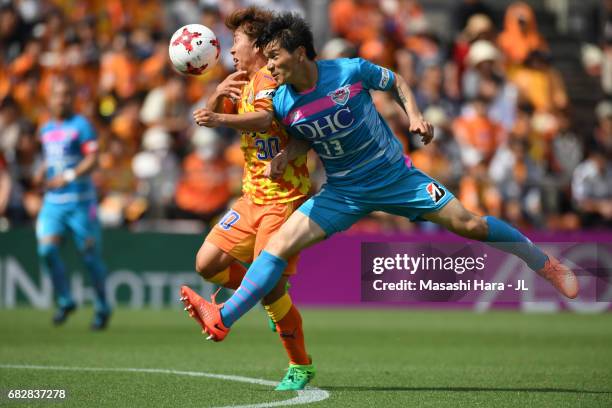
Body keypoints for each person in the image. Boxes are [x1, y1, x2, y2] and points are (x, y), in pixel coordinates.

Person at [184, 11, 578, 350]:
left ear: (300, 53)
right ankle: (224, 318)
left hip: (394, 177)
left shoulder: (350, 71)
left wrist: (415, 116)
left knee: (470, 224)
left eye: (275, 57)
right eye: (266, 59)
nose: (269, 67)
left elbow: (396, 82)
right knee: (279, 247)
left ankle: (542, 262)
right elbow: (304, 134)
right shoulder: (284, 101)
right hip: (343, 191)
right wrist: (288, 154)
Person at [180, 7, 314, 391]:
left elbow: (261, 119)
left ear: (257, 44)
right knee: (207, 262)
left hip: (284, 200)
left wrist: (220, 118)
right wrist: (217, 95)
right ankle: (263, 293)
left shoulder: (272, 79)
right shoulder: (240, 80)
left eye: (236, 40)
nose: (230, 48)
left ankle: (300, 365)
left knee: (270, 290)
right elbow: (211, 119)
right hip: (250, 197)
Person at [36, 76, 111, 330]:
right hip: (53, 204)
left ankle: (102, 306)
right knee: (46, 251)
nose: (62, 99)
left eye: (67, 94)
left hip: (81, 203)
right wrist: (41, 170)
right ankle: (66, 299)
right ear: (51, 98)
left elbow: (93, 160)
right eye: (58, 94)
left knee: (89, 258)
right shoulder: (45, 129)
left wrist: (67, 177)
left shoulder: (82, 126)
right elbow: (53, 159)